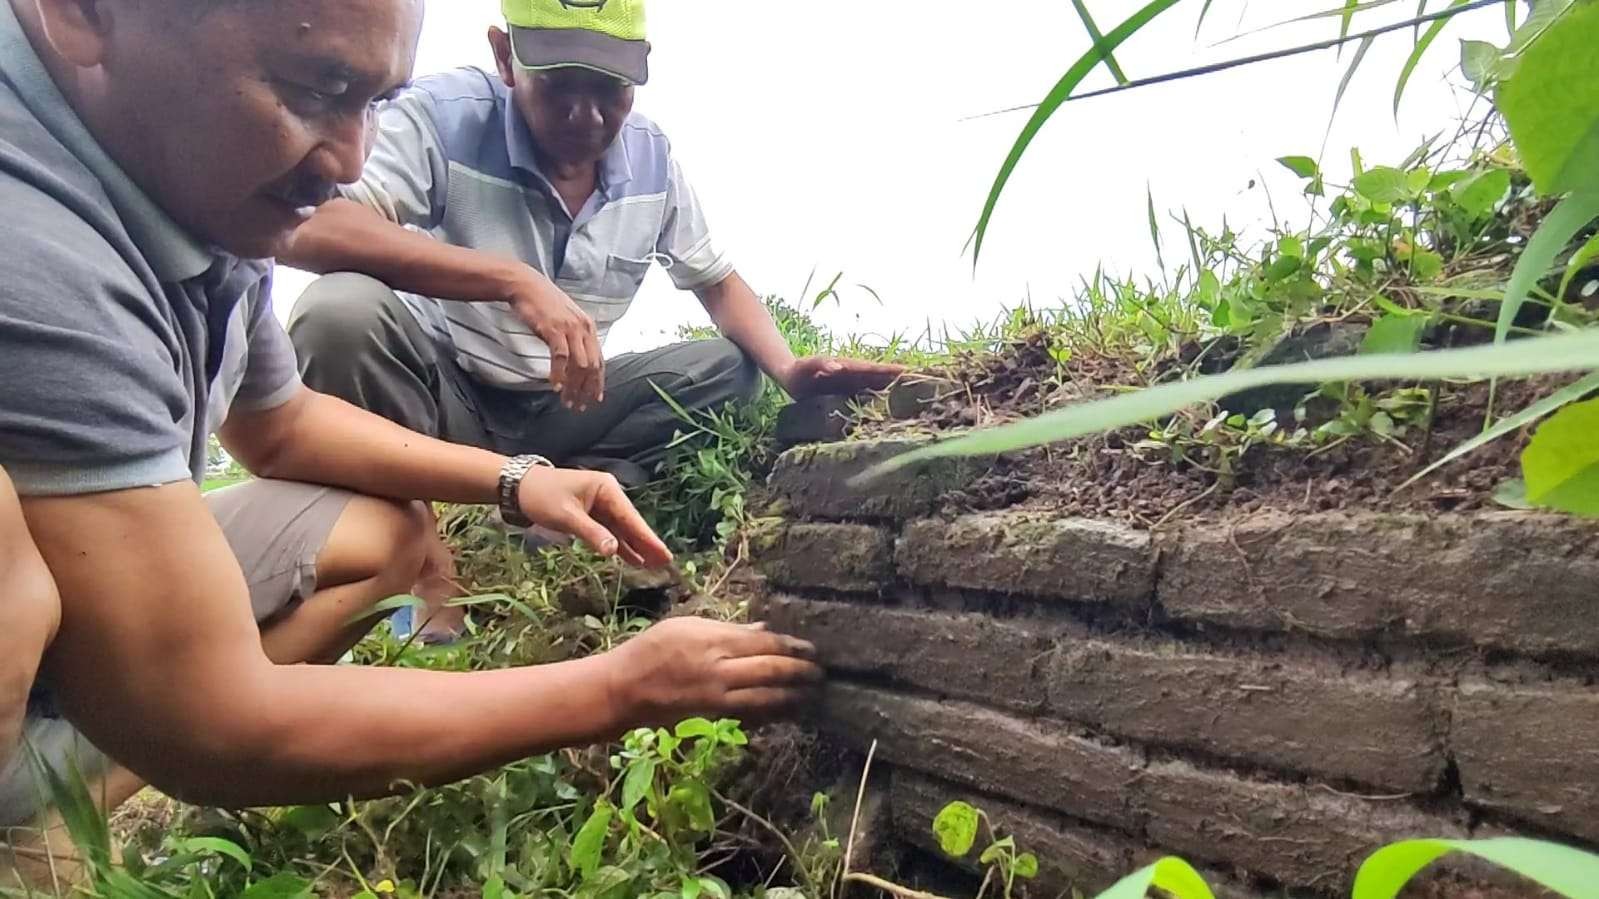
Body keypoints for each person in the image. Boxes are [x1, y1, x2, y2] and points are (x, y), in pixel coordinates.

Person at [0, 0, 821, 837]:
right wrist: (621, 687)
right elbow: (216, 722)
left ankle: (83, 775)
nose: (349, 157)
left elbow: (277, 426)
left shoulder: (205, 185)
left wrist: (520, 480)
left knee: (381, 531)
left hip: (550, 412)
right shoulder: (34, 247)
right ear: (84, 13)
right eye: (313, 90)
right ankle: (28, 806)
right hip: (449, 392)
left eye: (372, 102)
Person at [281, 0, 905, 638]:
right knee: (340, 314)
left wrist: (790, 369)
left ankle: (556, 503)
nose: (586, 115)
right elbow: (313, 226)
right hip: (446, 400)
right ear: (504, 57)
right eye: (557, 87)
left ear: (638, 75)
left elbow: (714, 280)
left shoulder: (651, 158)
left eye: (609, 90)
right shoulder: (444, 118)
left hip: (564, 406)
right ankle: (426, 562)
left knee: (730, 370)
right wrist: (510, 280)